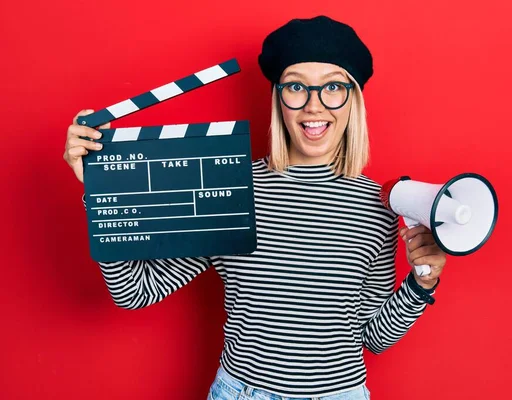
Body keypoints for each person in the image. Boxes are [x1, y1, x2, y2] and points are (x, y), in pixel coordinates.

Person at [63, 15, 446, 400]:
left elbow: (372, 337)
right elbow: (134, 291)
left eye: (332, 86)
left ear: (353, 99)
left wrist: (421, 283)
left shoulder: (378, 205)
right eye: (297, 86)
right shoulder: (231, 186)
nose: (314, 106)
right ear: (279, 96)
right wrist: (101, 192)